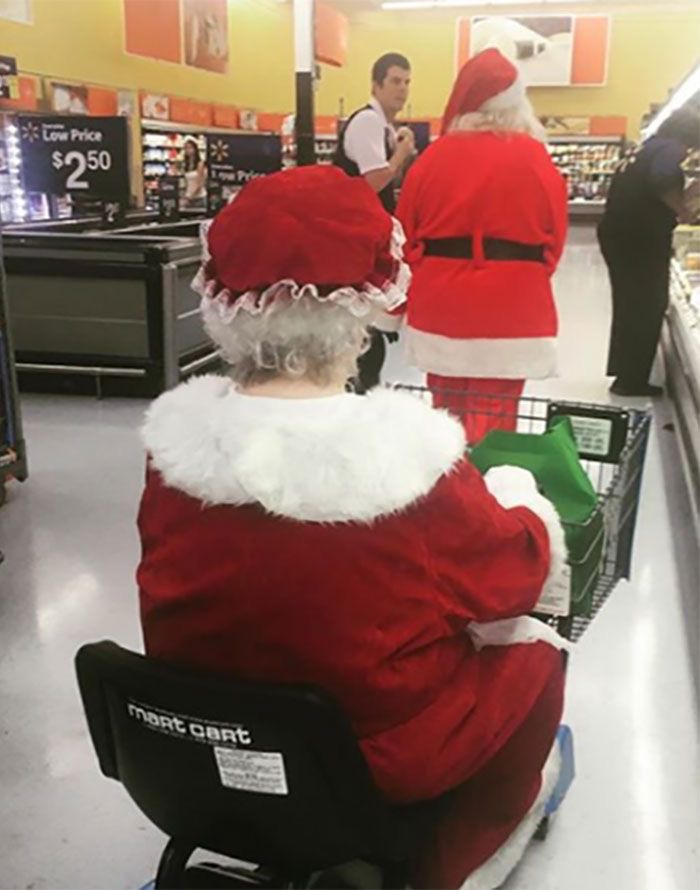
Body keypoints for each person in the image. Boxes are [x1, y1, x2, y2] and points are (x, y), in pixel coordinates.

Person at [137, 165, 569, 889]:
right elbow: (513, 577)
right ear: (364, 308)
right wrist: (524, 501)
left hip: (196, 741)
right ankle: (457, 863)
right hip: (371, 754)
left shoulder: (172, 455)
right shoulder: (409, 466)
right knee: (534, 653)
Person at [395, 49, 568, 443]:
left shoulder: (433, 158)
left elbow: (403, 235)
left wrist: (415, 284)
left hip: (442, 306)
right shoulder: (535, 158)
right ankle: (490, 492)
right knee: (496, 417)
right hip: (513, 307)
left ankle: (449, 490)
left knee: (445, 415)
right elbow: (553, 240)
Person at [598, 108, 700, 397]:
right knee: (647, 304)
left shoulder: (647, 147)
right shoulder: (668, 149)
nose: (688, 153)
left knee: (630, 304)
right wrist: (682, 209)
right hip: (638, 238)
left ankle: (625, 372)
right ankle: (631, 381)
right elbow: (662, 177)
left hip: (621, 234)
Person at [334, 52, 417, 393]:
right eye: (395, 81)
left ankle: (362, 391)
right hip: (354, 242)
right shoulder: (367, 121)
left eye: (407, 82)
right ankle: (358, 394)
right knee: (364, 329)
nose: (403, 89)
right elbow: (371, 181)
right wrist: (402, 154)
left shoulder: (382, 125)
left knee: (370, 327)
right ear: (376, 84)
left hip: (364, 240)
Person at [183, 137, 206, 207]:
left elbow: (200, 184)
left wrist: (191, 196)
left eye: (190, 148)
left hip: (199, 198)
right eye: (186, 148)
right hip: (188, 197)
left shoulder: (200, 164)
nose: (187, 150)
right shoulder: (186, 164)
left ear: (195, 149)